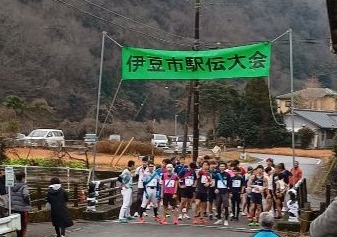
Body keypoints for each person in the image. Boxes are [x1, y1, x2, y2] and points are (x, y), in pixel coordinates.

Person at [11, 171, 31, 237]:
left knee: (17, 224)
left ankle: (18, 235)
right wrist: (28, 202)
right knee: (23, 224)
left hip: (14, 208)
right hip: (23, 209)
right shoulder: (24, 186)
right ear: (22, 178)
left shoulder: (11, 186)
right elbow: (26, 195)